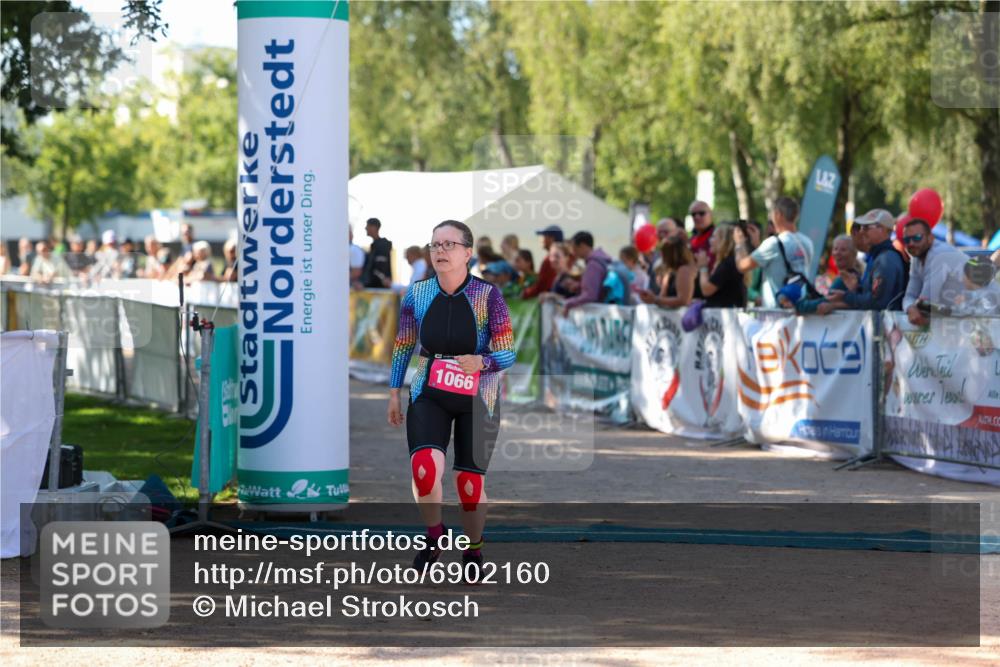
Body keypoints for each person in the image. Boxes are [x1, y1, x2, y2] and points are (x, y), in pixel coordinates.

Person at [387, 219, 515, 581]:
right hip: (430, 390)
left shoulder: (488, 296)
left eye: (449, 245)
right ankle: (434, 535)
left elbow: (508, 352)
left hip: (480, 395)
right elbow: (403, 345)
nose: (440, 251)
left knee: (469, 484)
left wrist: (483, 360)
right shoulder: (418, 293)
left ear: (467, 253)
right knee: (424, 469)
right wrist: (394, 392)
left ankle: (473, 548)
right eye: (435, 245)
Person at [820, 209, 908, 313]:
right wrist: (857, 289)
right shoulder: (879, 256)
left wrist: (846, 297)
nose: (861, 232)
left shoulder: (886, 259)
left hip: (886, 326)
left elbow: (877, 302)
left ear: (884, 230)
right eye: (862, 227)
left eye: (866, 227)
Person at [735, 197, 813, 308]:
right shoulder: (807, 242)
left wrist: (739, 243)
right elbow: (778, 261)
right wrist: (758, 244)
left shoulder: (772, 244)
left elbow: (742, 266)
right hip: (799, 309)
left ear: (778, 214)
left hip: (776, 312)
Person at [900, 217, 969, 326]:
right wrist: (910, 308)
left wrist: (914, 307)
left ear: (930, 238)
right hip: (964, 318)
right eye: (907, 240)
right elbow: (910, 296)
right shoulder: (917, 257)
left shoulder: (939, 254)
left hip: (987, 315)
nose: (911, 243)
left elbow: (926, 301)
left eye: (917, 238)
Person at [797, 234, 863, 314]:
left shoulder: (845, 279)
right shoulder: (854, 275)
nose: (838, 253)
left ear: (854, 254)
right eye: (835, 249)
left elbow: (824, 302)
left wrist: (800, 305)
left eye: (843, 250)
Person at [695, 224, 747, 308]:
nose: (710, 240)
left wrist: (703, 267)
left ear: (724, 241)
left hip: (726, 316)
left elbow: (706, 290)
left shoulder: (728, 263)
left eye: (714, 237)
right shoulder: (728, 261)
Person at [637, 236, 698, 308]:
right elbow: (662, 296)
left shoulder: (684, 270)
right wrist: (652, 298)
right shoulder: (671, 271)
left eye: (662, 252)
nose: (660, 255)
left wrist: (655, 299)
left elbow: (684, 300)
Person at [562, 231, 612, 314]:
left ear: (582, 246)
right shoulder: (600, 261)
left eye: (574, 248)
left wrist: (569, 303)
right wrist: (579, 286)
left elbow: (590, 295)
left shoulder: (593, 265)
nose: (573, 252)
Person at [521, 225, 562, 298]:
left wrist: (526, 293)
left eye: (544, 236)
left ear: (551, 239)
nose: (541, 239)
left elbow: (541, 285)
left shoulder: (549, 260)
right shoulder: (565, 256)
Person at [361, 217, 392, 288]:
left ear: (374, 227)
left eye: (368, 226)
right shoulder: (375, 245)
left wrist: (366, 283)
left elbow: (380, 269)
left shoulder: (382, 245)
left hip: (378, 288)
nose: (365, 228)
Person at [688, 201, 715, 265]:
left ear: (710, 214)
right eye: (693, 214)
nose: (697, 217)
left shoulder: (718, 236)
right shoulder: (690, 240)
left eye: (701, 213)